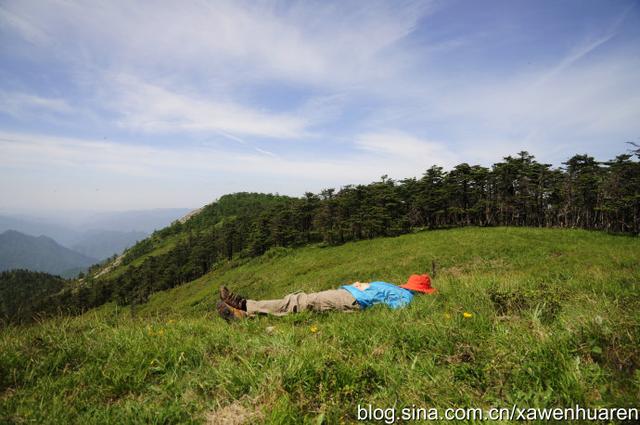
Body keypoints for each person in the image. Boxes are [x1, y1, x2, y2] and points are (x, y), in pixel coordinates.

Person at [216, 274, 437, 321]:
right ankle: (244, 309)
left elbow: (395, 311)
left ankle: (244, 306)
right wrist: (360, 284)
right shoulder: (395, 287)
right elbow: (372, 288)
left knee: (301, 301)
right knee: (301, 300)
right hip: (347, 294)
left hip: (349, 300)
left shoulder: (406, 298)